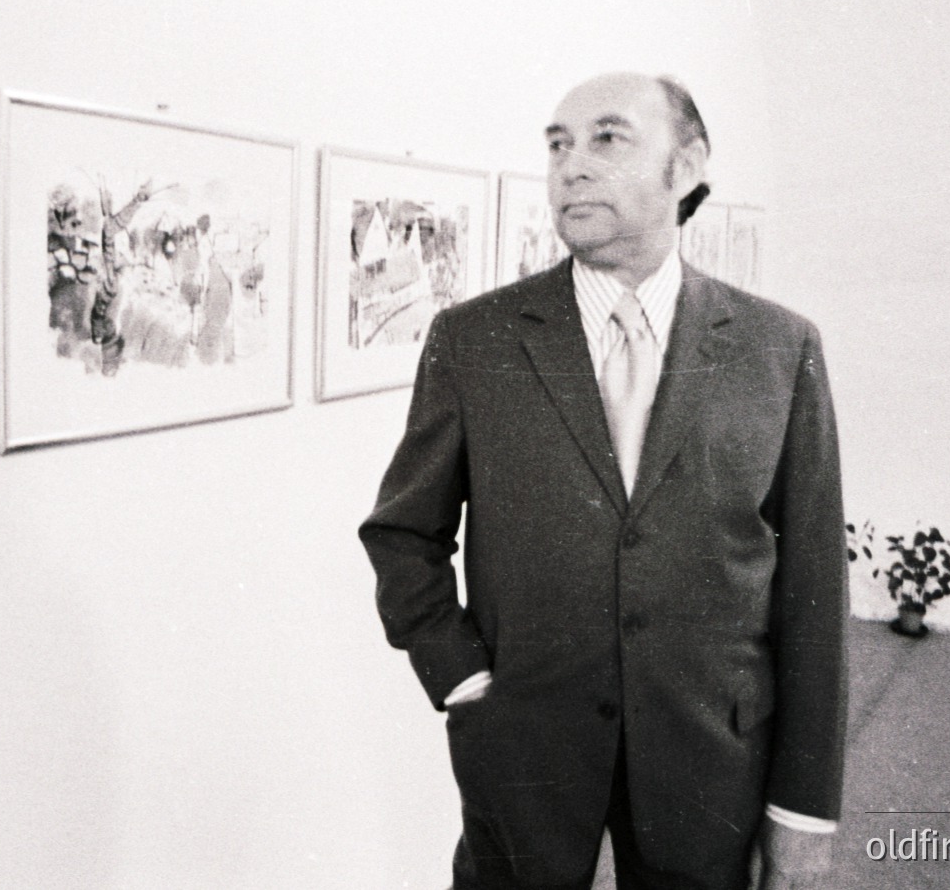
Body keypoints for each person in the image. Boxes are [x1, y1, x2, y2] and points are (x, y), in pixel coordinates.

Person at [358, 72, 847, 890]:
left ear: (686, 166)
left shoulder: (778, 348)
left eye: (607, 138)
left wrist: (804, 809)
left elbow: (812, 589)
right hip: (524, 748)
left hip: (710, 756)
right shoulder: (475, 338)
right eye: (557, 145)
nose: (571, 167)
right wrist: (465, 677)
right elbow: (403, 534)